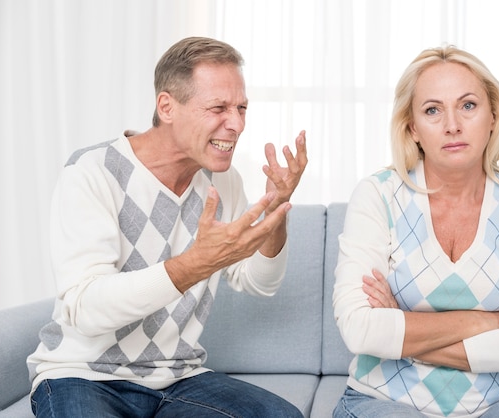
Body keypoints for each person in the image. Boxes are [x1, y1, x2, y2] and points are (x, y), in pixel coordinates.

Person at [27, 37, 307, 417]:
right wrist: (195, 264)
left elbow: (259, 282)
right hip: (82, 375)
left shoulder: (224, 182)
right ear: (167, 106)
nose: (237, 124)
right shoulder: (93, 172)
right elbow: (86, 309)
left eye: (241, 108)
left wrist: (276, 211)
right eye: (218, 108)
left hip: (179, 377)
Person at [332, 45, 499, 418]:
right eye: (432, 110)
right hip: (383, 400)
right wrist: (482, 322)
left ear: (493, 116)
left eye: (468, 105)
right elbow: (360, 331)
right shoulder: (378, 195)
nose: (452, 124)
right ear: (413, 129)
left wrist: (399, 331)